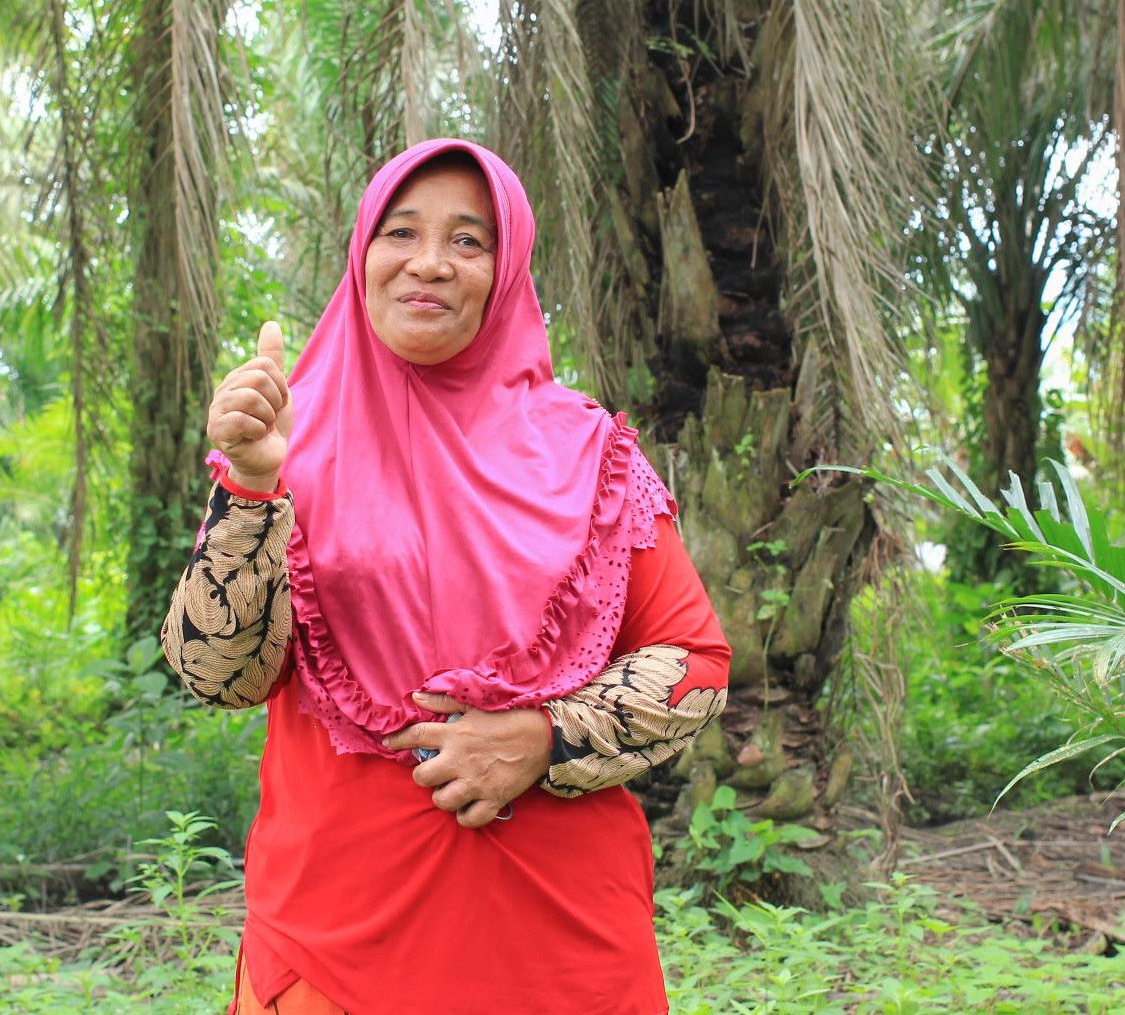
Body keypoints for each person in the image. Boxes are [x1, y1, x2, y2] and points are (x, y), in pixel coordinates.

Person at [160, 138, 732, 1014]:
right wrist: (251, 485)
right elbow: (217, 674)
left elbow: (695, 661)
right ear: (363, 254)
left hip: (557, 946)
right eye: (401, 232)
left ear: (506, 273)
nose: (429, 263)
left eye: (469, 241)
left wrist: (544, 737)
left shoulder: (589, 453)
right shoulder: (284, 435)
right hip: (334, 938)